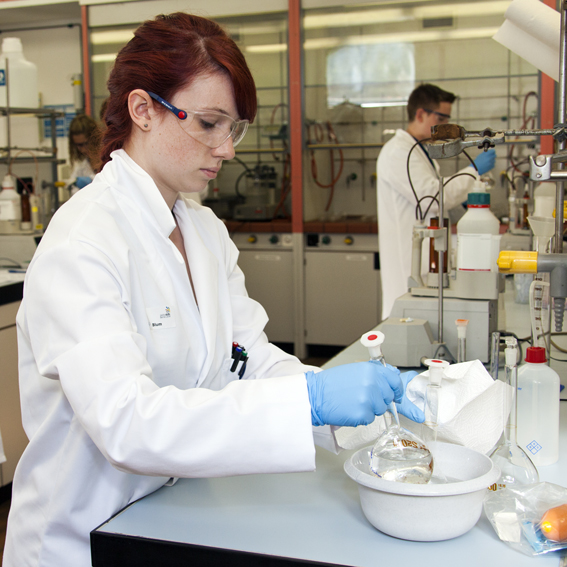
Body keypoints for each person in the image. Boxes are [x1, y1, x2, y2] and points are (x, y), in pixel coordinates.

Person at [3, 13, 424, 567]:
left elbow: (244, 359)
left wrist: (334, 398)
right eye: (208, 123)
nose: (226, 149)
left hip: (173, 514)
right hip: (82, 537)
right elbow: (128, 422)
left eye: (234, 128)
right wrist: (309, 404)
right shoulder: (84, 241)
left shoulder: (202, 230)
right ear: (143, 110)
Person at [377, 83, 496, 320]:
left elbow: (433, 202)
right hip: (408, 267)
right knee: (405, 328)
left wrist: (465, 200)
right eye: (441, 118)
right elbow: (431, 197)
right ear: (420, 114)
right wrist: (473, 171)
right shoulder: (398, 152)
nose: (445, 127)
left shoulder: (419, 151)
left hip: (426, 261)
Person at [66, 113, 100, 194]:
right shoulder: (81, 165)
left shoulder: (111, 157)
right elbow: (73, 190)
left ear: (94, 139)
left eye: (86, 143)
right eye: (79, 145)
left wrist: (92, 181)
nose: (84, 149)